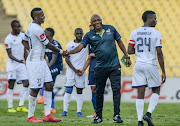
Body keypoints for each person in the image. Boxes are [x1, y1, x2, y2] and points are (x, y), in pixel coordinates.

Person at [65, 14, 131, 124]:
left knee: (116, 90)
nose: (97, 22)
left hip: (114, 66)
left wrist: (127, 56)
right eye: (94, 21)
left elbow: (119, 42)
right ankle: (99, 117)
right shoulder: (89, 35)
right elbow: (80, 47)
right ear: (91, 23)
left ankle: (117, 115)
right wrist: (68, 52)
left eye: (98, 20)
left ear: (101, 20)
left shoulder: (111, 28)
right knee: (99, 92)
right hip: (100, 67)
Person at [22, 7, 66, 123]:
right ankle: (30, 116)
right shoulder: (37, 29)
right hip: (35, 63)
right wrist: (62, 52)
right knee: (35, 89)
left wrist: (31, 50)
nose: (43, 17)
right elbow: (49, 45)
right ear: (36, 17)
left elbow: (24, 40)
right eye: (41, 15)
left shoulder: (31, 27)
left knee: (49, 85)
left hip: (41, 61)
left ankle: (47, 115)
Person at [127, 10, 166, 126]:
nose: (156, 20)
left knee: (140, 92)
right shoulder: (156, 33)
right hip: (151, 64)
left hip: (138, 64)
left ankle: (139, 121)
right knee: (156, 90)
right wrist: (163, 71)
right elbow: (159, 53)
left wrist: (140, 50)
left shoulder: (134, 32)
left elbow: (129, 50)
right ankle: (148, 114)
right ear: (148, 19)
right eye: (154, 18)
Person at [60, 28, 88, 117]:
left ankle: (79, 112)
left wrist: (82, 69)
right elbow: (67, 58)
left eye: (81, 33)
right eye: (77, 33)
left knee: (79, 91)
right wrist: (74, 69)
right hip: (71, 71)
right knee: (68, 90)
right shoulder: (69, 45)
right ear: (74, 34)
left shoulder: (86, 45)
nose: (79, 35)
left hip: (81, 72)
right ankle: (65, 111)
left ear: (83, 34)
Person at [4, 20, 29, 113]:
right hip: (12, 64)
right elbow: (9, 54)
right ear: (12, 27)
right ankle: (10, 106)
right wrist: (19, 60)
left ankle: (21, 105)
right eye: (17, 27)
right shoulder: (8, 39)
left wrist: (27, 61)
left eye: (19, 27)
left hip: (21, 64)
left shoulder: (22, 36)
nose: (19, 28)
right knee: (11, 83)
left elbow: (24, 50)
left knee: (26, 83)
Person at [37, 27, 63, 114]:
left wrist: (46, 69)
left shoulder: (55, 44)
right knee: (50, 86)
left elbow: (53, 59)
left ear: (49, 34)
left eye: (45, 32)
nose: (43, 33)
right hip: (50, 66)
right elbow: (44, 56)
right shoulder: (45, 44)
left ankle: (43, 96)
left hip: (57, 66)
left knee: (46, 80)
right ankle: (51, 108)